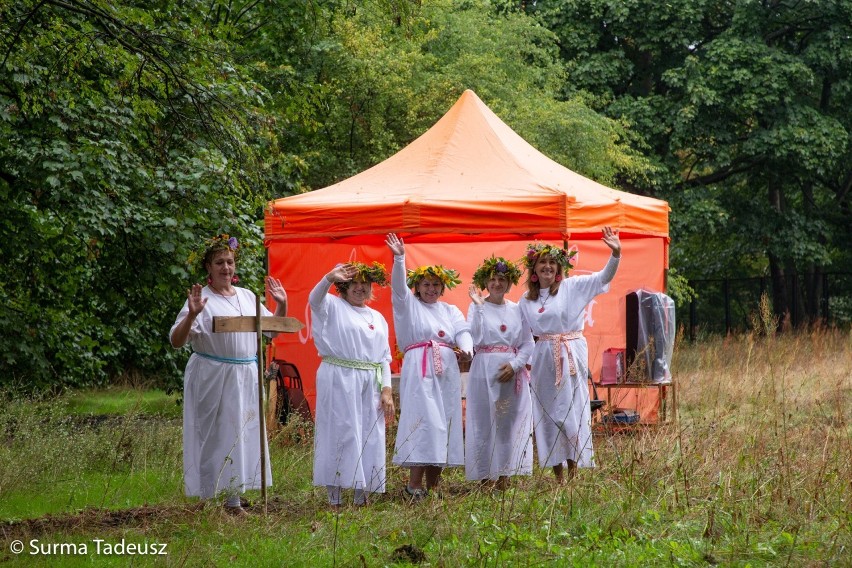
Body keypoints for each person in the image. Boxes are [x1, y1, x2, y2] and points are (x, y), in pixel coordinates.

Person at [170, 234, 288, 514]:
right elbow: (176, 341)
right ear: (208, 267)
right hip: (213, 373)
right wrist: (191, 315)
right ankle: (219, 499)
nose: (226, 267)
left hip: (245, 374)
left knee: (243, 433)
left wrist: (281, 303)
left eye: (230, 262)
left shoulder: (247, 296)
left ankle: (234, 495)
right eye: (219, 262)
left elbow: (272, 330)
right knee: (217, 433)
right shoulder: (201, 299)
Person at [519, 227, 621, 484]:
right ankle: (558, 477)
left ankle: (575, 472)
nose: (548, 267)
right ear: (534, 269)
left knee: (571, 410)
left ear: (559, 268)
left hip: (570, 352)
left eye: (552, 262)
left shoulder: (572, 287)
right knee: (549, 413)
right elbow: (520, 334)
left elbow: (602, 278)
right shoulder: (526, 300)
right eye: (542, 262)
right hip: (543, 357)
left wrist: (616, 253)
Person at [386, 233, 473, 500]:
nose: (431, 289)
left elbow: (462, 331)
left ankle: (434, 489)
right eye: (426, 284)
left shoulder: (450, 310)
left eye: (436, 284)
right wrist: (400, 258)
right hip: (421, 368)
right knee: (424, 423)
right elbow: (399, 288)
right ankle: (413, 487)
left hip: (446, 371)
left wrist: (467, 348)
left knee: (443, 424)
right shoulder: (408, 306)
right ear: (418, 286)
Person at [309, 261, 395, 510]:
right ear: (344, 288)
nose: (360, 288)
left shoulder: (377, 317)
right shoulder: (332, 306)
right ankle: (334, 498)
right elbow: (314, 300)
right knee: (341, 432)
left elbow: (384, 358)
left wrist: (387, 390)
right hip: (339, 377)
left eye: (364, 284)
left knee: (368, 434)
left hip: (370, 382)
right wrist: (328, 277)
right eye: (354, 283)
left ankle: (361, 495)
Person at [465, 256, 535, 490]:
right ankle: (485, 477)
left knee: (507, 423)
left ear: (509, 283)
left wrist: (515, 365)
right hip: (483, 371)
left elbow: (528, 343)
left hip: (509, 373)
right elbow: (474, 338)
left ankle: (504, 477)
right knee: (483, 422)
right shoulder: (477, 306)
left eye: (502, 279)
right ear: (485, 281)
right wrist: (477, 306)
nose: (497, 284)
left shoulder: (517, 309)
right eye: (492, 279)